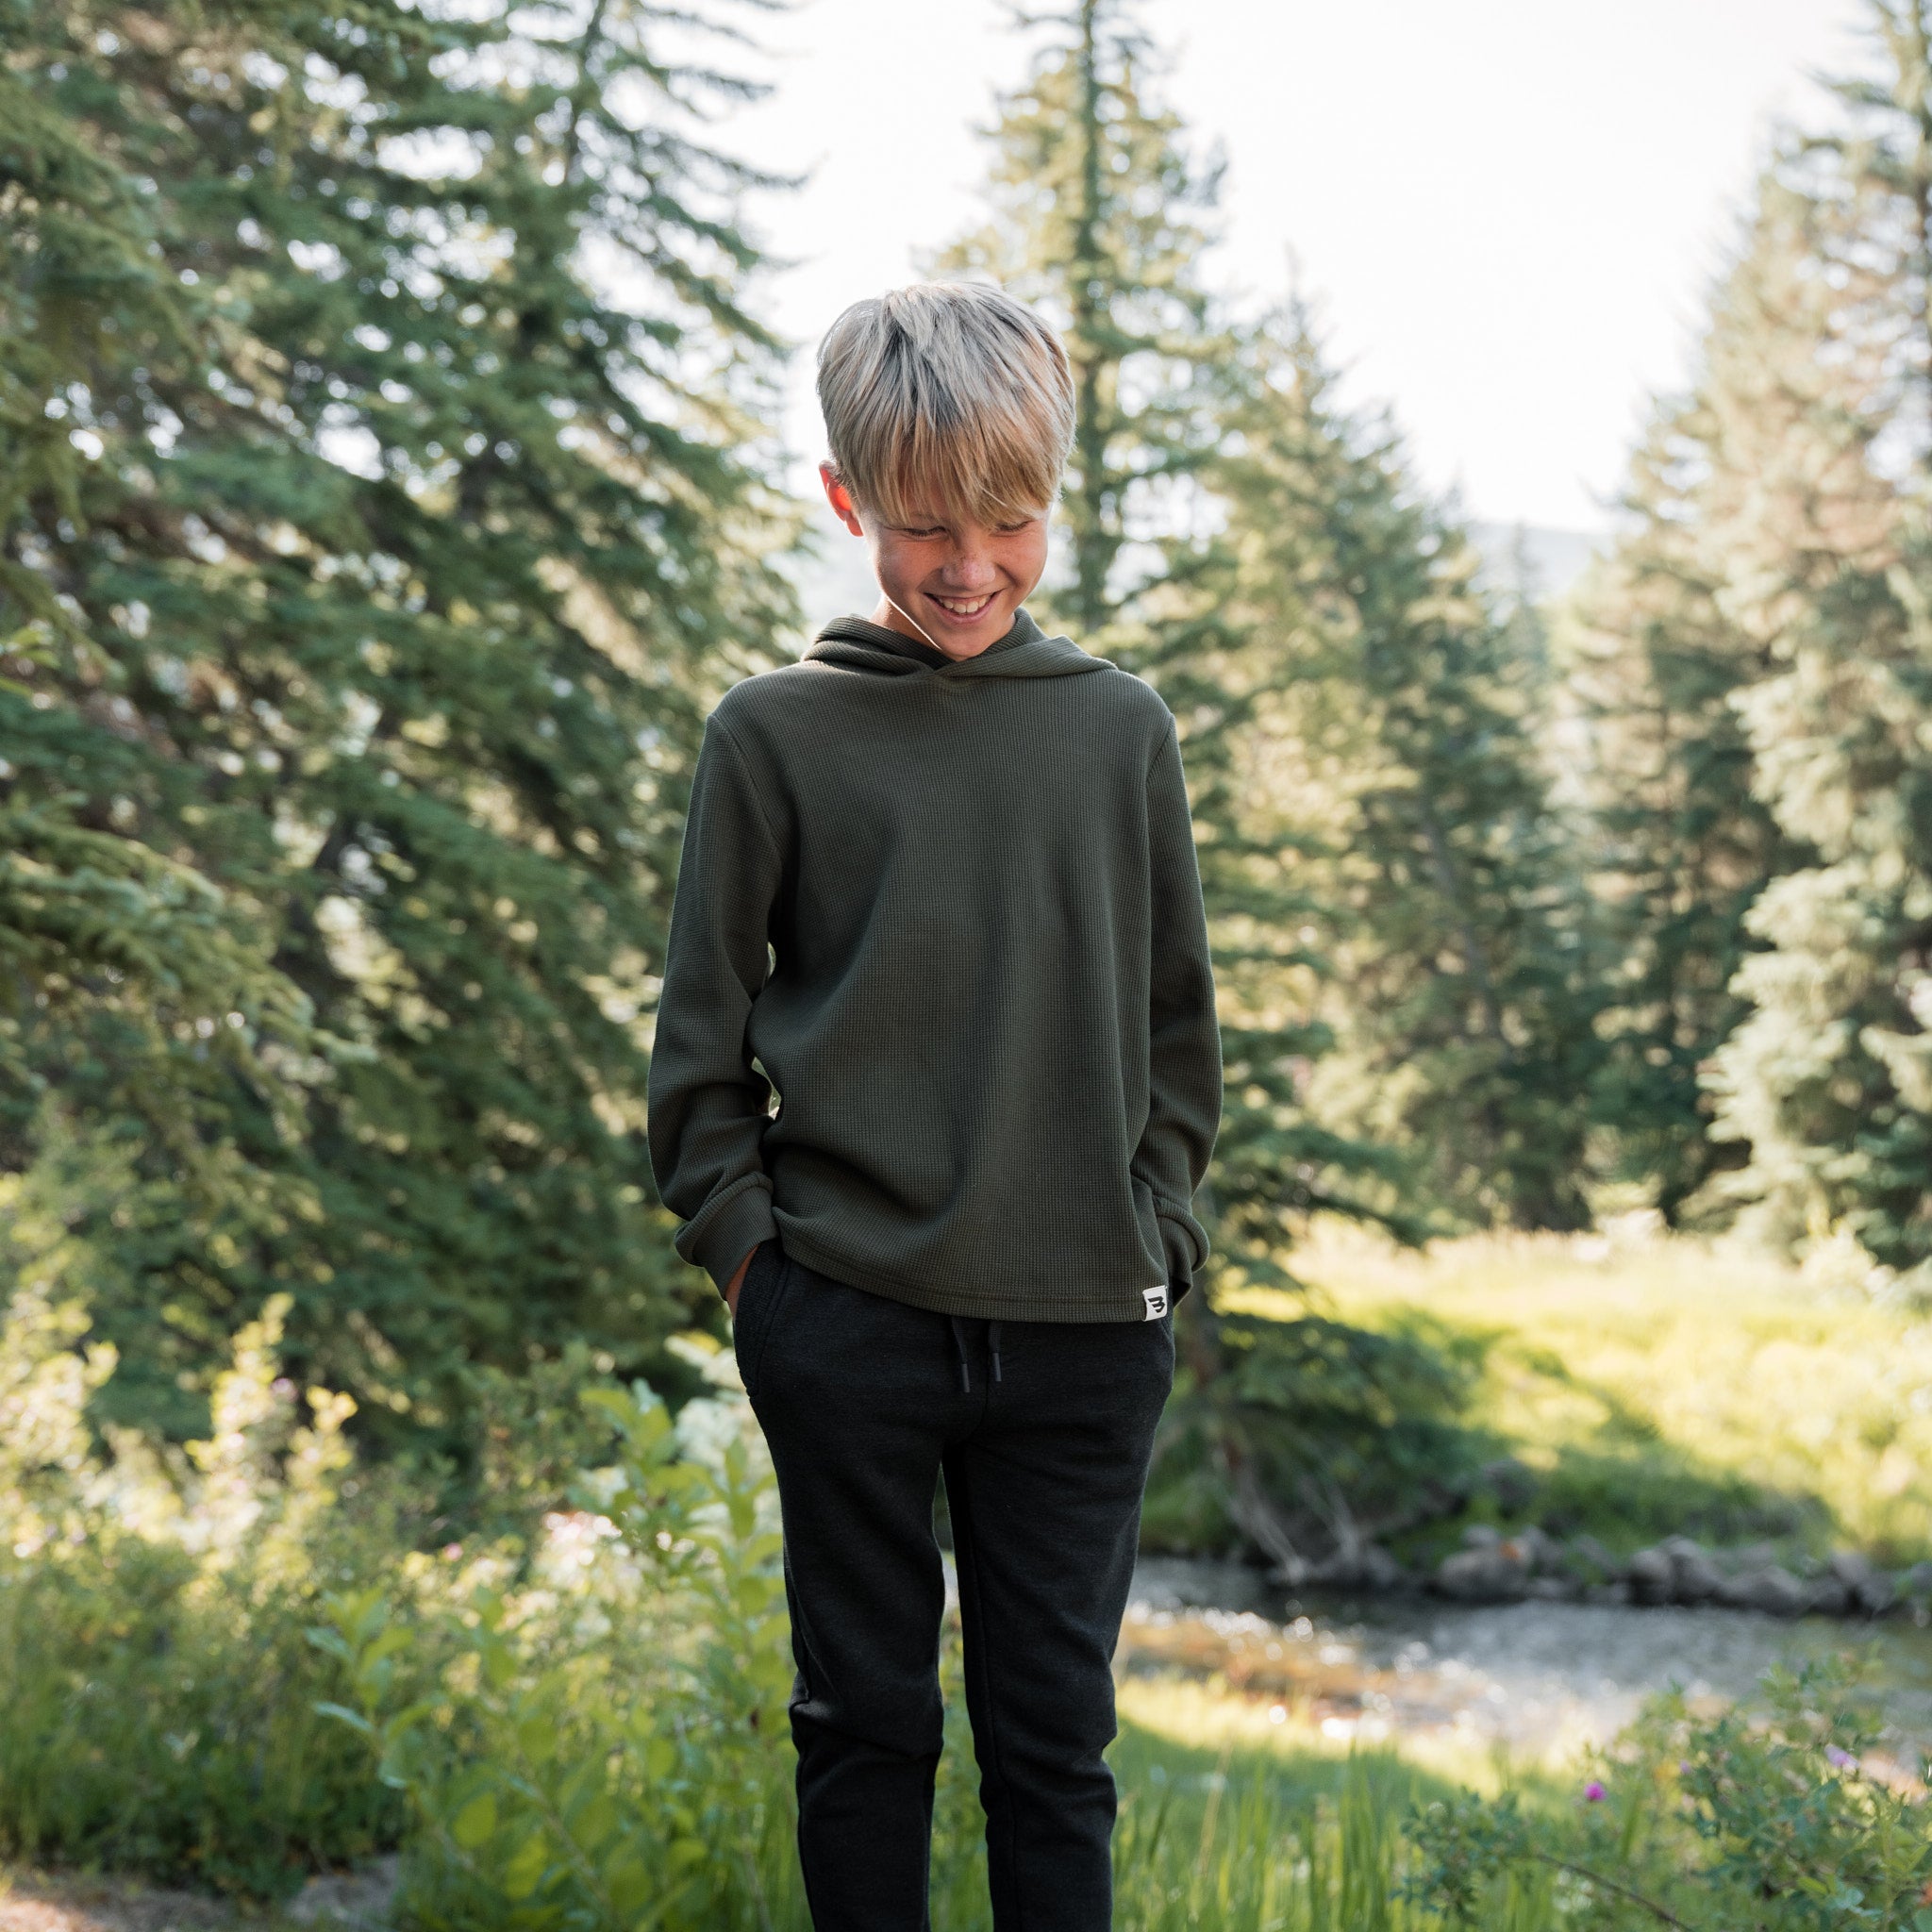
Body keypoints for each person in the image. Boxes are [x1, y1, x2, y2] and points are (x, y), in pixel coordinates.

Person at [646, 279, 1222, 1932]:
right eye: (923, 527)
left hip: (1083, 1330)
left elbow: (1178, 1032)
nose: (969, 566)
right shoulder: (773, 735)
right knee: (862, 1728)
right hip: (848, 1322)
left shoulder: (1117, 732)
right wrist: (757, 1268)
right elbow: (699, 1043)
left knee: (1054, 1754)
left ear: (1054, 501)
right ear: (848, 503)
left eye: (1009, 521)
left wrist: (1161, 1239)